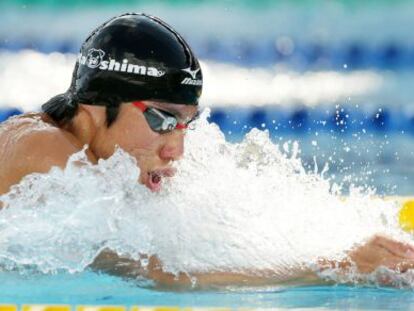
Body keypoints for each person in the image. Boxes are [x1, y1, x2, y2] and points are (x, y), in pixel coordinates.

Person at [0, 13, 413, 289]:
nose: (175, 149)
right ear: (96, 104)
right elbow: (157, 275)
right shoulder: (46, 153)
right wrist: (333, 268)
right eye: (162, 120)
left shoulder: (103, 159)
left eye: (185, 124)